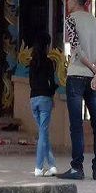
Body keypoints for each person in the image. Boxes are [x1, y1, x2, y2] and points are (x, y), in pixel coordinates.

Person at [57, 0, 96, 181]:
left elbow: (76, 48)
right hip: (93, 79)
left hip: (76, 76)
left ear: (74, 0)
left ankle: (77, 168)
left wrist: (91, 67)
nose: (67, 3)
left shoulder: (70, 20)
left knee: (76, 125)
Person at [29, 32, 57, 177]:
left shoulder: (32, 63)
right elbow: (52, 83)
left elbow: (31, 83)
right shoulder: (49, 62)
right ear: (46, 46)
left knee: (43, 133)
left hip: (33, 99)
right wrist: (52, 94)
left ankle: (52, 166)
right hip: (45, 99)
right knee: (43, 134)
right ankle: (38, 168)